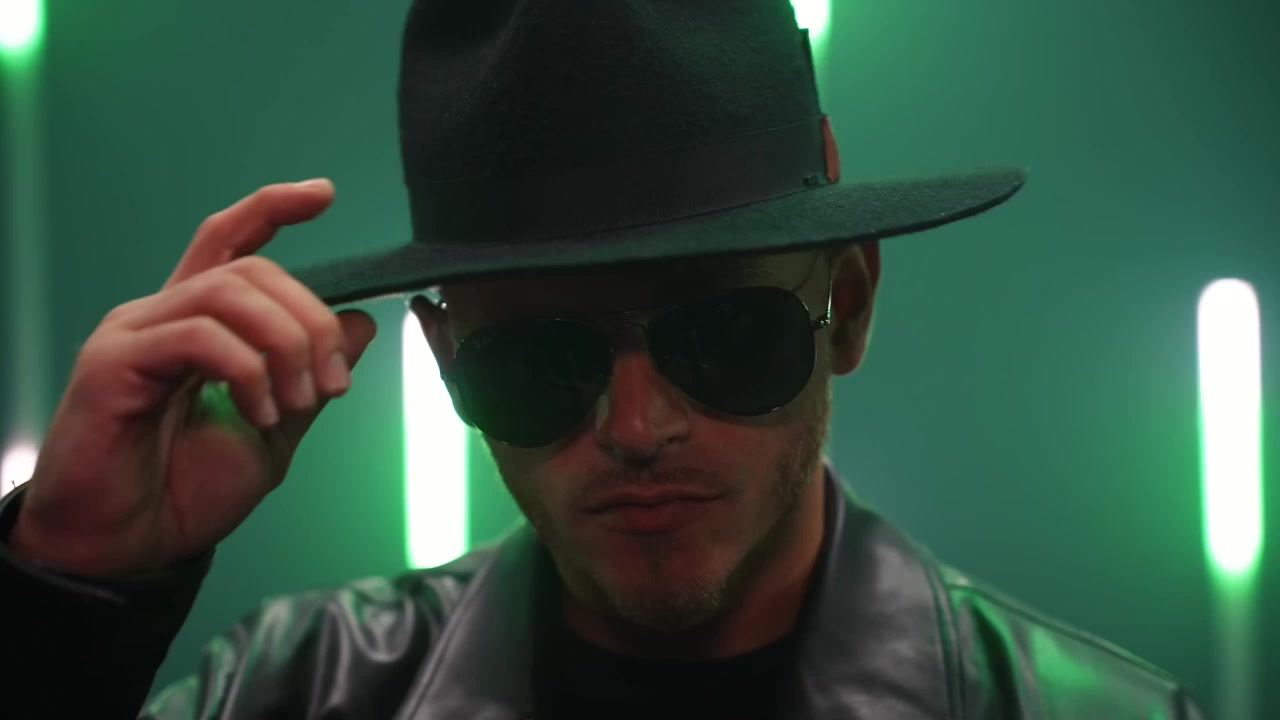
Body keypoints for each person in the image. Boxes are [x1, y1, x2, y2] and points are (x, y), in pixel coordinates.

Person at [0, 1, 1210, 718]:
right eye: (537, 362)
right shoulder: (295, 693)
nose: (635, 428)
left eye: (720, 338)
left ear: (842, 305)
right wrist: (64, 594)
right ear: (445, 361)